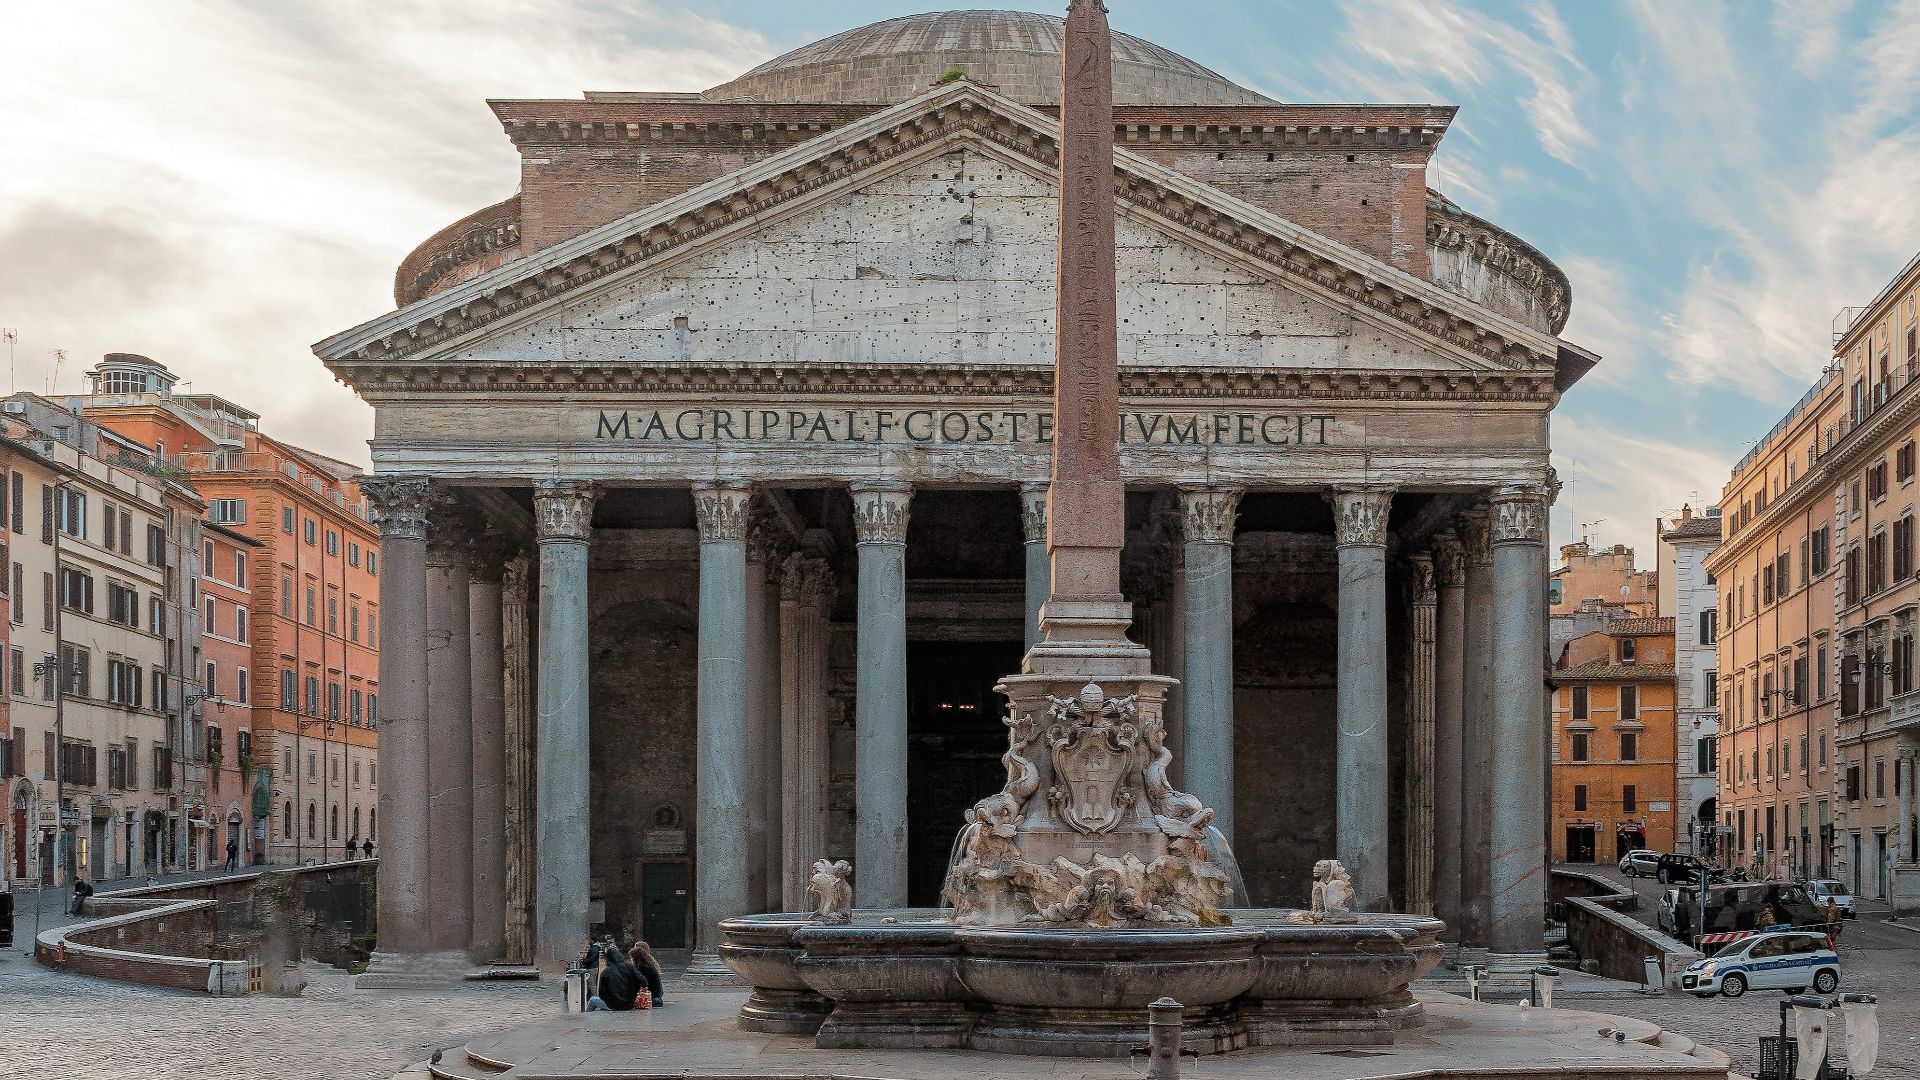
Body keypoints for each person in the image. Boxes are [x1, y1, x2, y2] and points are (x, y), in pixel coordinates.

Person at [629, 940, 665, 1008]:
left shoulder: (644, 967)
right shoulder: (648, 963)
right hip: (656, 995)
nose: (630, 959)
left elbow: (641, 983)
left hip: (652, 997)